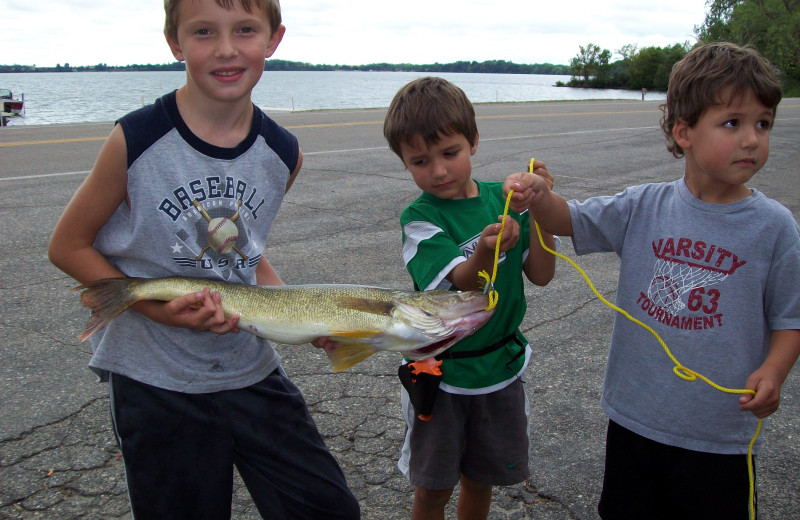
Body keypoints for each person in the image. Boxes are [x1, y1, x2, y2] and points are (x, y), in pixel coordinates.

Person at [47, 0, 360, 518]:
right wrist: (152, 308)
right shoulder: (136, 138)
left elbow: (248, 255)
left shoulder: (283, 151)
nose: (226, 49)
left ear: (274, 39)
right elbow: (68, 245)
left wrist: (301, 318)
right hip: (156, 380)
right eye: (203, 32)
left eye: (244, 30)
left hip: (250, 367)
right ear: (175, 41)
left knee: (328, 509)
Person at [504, 42, 800, 519]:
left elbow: (791, 317)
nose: (752, 139)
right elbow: (569, 220)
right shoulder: (644, 206)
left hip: (721, 435)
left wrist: (775, 371)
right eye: (732, 122)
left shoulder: (774, 227)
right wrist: (538, 197)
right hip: (636, 420)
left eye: (762, 123)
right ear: (684, 131)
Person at [382, 76, 557, 520]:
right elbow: (462, 286)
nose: (438, 170)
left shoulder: (504, 199)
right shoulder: (418, 218)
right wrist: (486, 246)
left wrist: (541, 205)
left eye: (450, 153)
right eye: (420, 161)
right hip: (442, 375)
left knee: (481, 481)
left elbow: (541, 274)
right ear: (404, 163)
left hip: (499, 369)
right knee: (433, 488)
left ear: (474, 142)